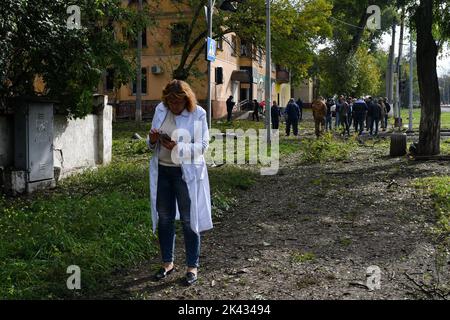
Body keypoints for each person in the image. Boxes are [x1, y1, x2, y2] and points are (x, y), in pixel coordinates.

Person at [147, 79, 212, 286]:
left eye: (178, 103)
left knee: (188, 219)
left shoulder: (198, 114)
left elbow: (202, 146)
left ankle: (192, 266)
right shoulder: (161, 109)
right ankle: (168, 263)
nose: (174, 107)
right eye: (171, 102)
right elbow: (150, 143)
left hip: (186, 174)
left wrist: (179, 147)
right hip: (163, 172)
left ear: (187, 99)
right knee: (164, 218)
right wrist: (153, 139)